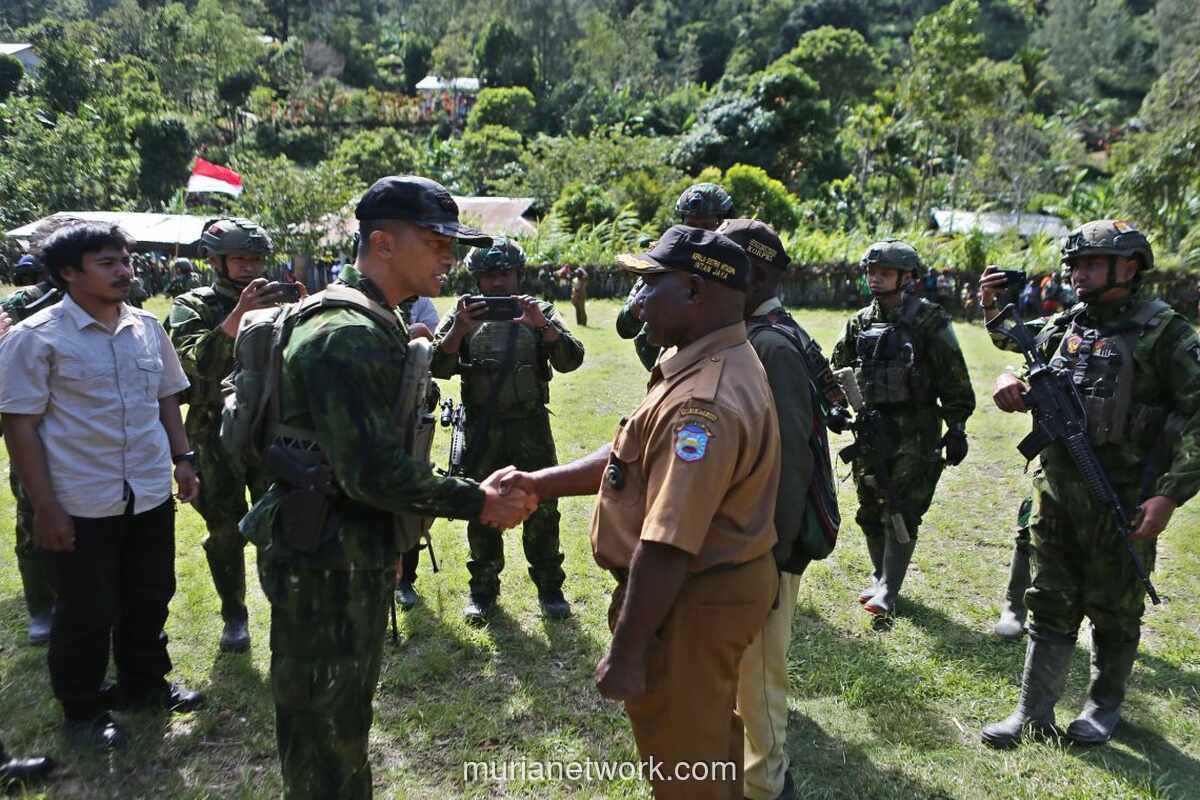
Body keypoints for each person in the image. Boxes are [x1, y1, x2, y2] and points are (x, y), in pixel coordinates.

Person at [238, 176, 536, 799]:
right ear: (383, 243)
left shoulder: (378, 318)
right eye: (436, 243)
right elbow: (371, 471)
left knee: (343, 719)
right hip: (323, 559)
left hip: (349, 548)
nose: (449, 258)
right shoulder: (344, 332)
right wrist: (479, 500)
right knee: (324, 736)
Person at [500, 225, 781, 799]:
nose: (639, 300)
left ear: (696, 292)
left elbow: (668, 542)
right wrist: (539, 483)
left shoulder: (703, 403)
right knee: (705, 737)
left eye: (652, 283)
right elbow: (632, 452)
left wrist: (628, 652)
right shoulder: (703, 358)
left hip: (689, 600)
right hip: (705, 591)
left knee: (684, 766)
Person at [979, 220, 1200, 748]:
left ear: (1130, 267)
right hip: (1056, 495)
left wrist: (1169, 495)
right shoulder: (1068, 323)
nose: (1078, 274)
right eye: (1075, 264)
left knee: (1115, 608)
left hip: (1123, 500)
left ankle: (1103, 706)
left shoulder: (1167, 333)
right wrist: (1008, 380)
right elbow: (1014, 342)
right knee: (1048, 598)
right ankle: (1033, 712)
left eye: (1092, 264)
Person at [0, 222, 204, 750]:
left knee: (150, 594)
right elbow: (19, 425)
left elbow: (166, 397)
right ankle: (83, 709)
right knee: (85, 610)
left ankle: (144, 684)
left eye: (125, 260)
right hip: (79, 499)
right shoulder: (36, 336)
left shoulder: (146, 327)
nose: (124, 271)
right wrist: (45, 505)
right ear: (69, 272)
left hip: (147, 492)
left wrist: (182, 458)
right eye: (108, 263)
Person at [720, 219, 827, 800]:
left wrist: (772, 554)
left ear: (755, 277)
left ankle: (765, 783)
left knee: (760, 674)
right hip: (749, 537)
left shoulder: (771, 347)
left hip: (767, 543)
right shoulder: (755, 335)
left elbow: (790, 462)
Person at [431, 237, 585, 624]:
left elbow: (571, 360)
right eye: (488, 275)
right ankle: (482, 591)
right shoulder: (462, 313)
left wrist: (542, 327)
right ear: (477, 279)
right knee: (481, 506)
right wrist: (459, 330)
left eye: (504, 274)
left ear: (518, 274)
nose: (497, 283)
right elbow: (436, 366)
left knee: (543, 507)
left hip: (529, 425)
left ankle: (550, 588)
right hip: (481, 426)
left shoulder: (539, 311)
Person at [830, 240, 976, 620]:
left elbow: (953, 376)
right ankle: (879, 576)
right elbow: (838, 368)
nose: (876, 279)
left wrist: (957, 427)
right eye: (872, 272)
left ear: (907, 277)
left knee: (902, 506)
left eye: (885, 273)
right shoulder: (860, 322)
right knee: (870, 506)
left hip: (916, 430)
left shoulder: (929, 320)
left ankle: (889, 589)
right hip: (870, 428)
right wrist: (835, 408)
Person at [166, 217, 285, 653]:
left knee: (279, 522)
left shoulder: (280, 301)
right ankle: (234, 613)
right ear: (215, 261)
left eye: (256, 259)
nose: (250, 267)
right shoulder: (192, 305)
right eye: (239, 259)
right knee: (225, 529)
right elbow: (194, 366)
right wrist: (239, 317)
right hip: (213, 434)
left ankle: (283, 607)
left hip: (271, 430)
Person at [1, 253, 64, 646]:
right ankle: (40, 607)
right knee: (32, 520)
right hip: (32, 426)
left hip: (82, 425)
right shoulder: (21, 303)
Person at [616, 182, 734, 371]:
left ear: (722, 224)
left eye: (707, 225)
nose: (699, 233)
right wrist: (638, 307)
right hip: (670, 368)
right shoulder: (668, 258)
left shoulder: (734, 266)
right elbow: (625, 326)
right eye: (692, 225)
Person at [393, 294, 442, 609]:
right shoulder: (357, 298)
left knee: (409, 500)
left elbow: (433, 344)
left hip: (413, 414)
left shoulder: (420, 304)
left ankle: (405, 579)